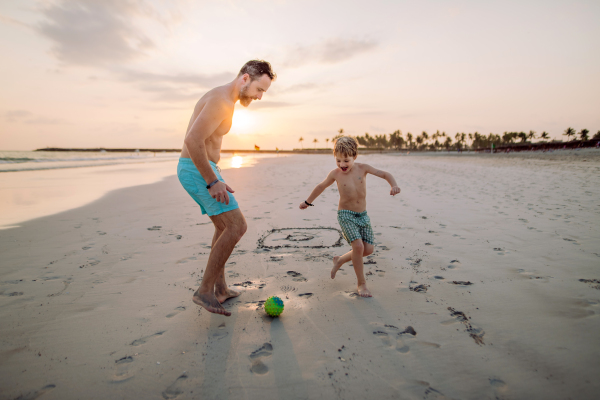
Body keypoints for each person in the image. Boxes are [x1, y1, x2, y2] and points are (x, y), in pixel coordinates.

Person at [178, 60, 276, 316]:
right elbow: (192, 140)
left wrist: (214, 174)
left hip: (202, 169)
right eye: (259, 90)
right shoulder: (220, 99)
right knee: (237, 226)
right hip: (196, 170)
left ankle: (220, 288)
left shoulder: (225, 99)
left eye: (263, 92)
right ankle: (205, 291)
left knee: (223, 226)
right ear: (245, 79)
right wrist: (212, 181)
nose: (259, 97)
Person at [299, 137, 401, 297]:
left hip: (363, 215)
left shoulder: (363, 168)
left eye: (346, 160)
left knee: (368, 249)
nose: (342, 165)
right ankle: (362, 284)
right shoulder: (335, 174)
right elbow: (321, 186)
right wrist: (307, 202)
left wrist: (393, 185)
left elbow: (385, 174)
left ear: (355, 156)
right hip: (345, 215)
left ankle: (339, 260)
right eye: (338, 160)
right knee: (358, 247)